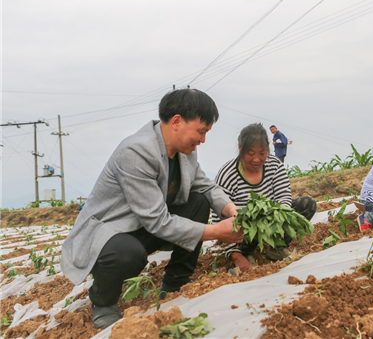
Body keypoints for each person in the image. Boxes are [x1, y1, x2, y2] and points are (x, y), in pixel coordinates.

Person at [60, 89, 244, 329]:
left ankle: (176, 281)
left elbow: (206, 185)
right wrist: (216, 232)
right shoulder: (136, 151)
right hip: (110, 234)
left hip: (147, 224)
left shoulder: (185, 151)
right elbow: (157, 221)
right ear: (177, 121)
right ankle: (103, 302)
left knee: (198, 200)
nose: (203, 140)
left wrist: (231, 209)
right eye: (201, 131)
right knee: (128, 253)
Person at [212, 123, 316, 272]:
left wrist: (277, 220)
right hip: (243, 233)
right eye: (251, 153)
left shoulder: (274, 165)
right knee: (252, 217)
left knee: (308, 204)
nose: (257, 159)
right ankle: (245, 252)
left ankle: (278, 246)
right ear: (240, 149)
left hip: (273, 222)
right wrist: (233, 254)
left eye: (262, 153)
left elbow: (284, 196)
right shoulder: (228, 174)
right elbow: (218, 219)